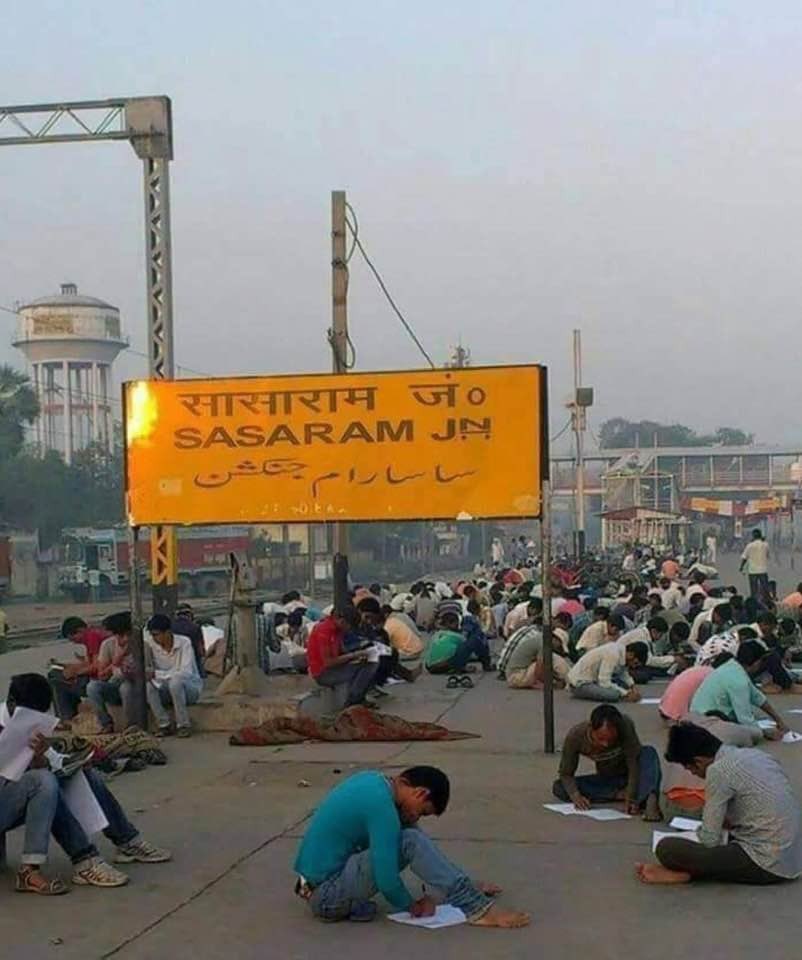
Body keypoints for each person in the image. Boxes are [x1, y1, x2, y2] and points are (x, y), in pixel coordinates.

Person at [293, 765, 529, 927]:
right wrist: (412, 905)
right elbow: (386, 878)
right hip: (327, 897)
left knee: (409, 833)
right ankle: (477, 910)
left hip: (318, 887)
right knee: (409, 839)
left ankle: (464, 888)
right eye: (423, 812)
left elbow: (425, 854)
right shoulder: (380, 806)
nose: (418, 817)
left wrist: (467, 881)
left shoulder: (374, 784)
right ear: (419, 792)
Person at [0, 674, 170, 894]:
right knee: (44, 781)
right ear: (12, 704)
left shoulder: (27, 726)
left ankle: (126, 840)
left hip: (10, 798)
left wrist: (39, 755)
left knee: (75, 774)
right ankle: (81, 858)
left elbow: (50, 764)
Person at [637, 722, 802, 885]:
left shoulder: (718, 770)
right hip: (793, 856)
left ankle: (686, 875)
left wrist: (697, 833)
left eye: (691, 769)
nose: (694, 774)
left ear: (699, 761)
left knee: (667, 848)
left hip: (766, 862)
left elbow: (709, 839)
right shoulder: (757, 755)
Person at [553, 705, 662, 821]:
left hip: (633, 776)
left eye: (611, 740)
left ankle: (649, 798)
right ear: (591, 728)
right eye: (600, 739)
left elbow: (633, 763)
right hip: (609, 780)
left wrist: (631, 796)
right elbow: (566, 773)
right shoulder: (576, 736)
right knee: (560, 787)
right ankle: (620, 794)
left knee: (648, 752)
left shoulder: (625, 725)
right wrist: (575, 795)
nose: (606, 744)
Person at [690, 640, 788, 739]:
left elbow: (757, 697)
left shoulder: (733, 666)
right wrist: (764, 733)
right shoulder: (738, 680)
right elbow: (745, 720)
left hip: (699, 717)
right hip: (704, 724)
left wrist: (778, 719)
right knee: (749, 736)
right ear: (756, 662)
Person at [307, 606, 378, 708]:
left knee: (372, 661)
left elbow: (342, 651)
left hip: (334, 667)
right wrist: (354, 655)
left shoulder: (338, 630)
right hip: (323, 673)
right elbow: (328, 662)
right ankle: (353, 700)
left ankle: (358, 697)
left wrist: (360, 652)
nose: (349, 629)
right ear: (342, 621)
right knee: (368, 666)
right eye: (349, 626)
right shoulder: (323, 631)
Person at [145, 614, 204, 737]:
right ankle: (163, 724)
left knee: (176, 682)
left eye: (156, 634)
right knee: (149, 686)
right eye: (152, 635)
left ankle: (183, 725)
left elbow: (185, 672)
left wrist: (157, 674)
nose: (154, 638)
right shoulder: (150, 645)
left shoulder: (184, 643)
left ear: (167, 632)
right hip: (166, 688)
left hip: (189, 689)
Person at [48, 617, 109, 722]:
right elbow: (89, 663)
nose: (74, 642)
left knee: (54, 679)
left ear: (80, 631)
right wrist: (65, 666)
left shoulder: (92, 637)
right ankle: (68, 716)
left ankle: (65, 718)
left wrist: (75, 673)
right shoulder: (93, 636)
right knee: (57, 674)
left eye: (73, 638)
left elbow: (96, 666)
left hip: (97, 680)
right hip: (95, 678)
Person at [86, 611, 136, 734]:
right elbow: (101, 676)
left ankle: (131, 725)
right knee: (92, 687)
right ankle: (106, 723)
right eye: (121, 635)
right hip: (114, 685)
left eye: (128, 635)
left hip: (135, 686)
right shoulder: (108, 645)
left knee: (126, 687)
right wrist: (116, 661)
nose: (125, 639)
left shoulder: (141, 644)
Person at [566, 640, 649, 703]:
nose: (634, 666)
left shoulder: (621, 651)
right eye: (635, 663)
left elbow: (623, 673)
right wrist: (626, 694)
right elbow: (604, 682)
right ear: (631, 654)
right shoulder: (613, 654)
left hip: (594, 680)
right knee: (613, 695)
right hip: (580, 683)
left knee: (622, 686)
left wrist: (632, 686)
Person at [425, 611, 492, 674]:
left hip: (430, 667)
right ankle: (486, 664)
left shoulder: (436, 634)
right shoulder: (456, 636)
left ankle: (456, 667)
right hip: (444, 665)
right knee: (476, 639)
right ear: (451, 623)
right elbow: (467, 650)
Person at [172, 603, 207, 678]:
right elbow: (200, 647)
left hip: (175, 659)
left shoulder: (171, 627)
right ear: (189, 614)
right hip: (193, 659)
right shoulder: (195, 627)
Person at [740, 528, 770, 601]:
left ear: (753, 536)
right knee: (765, 588)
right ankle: (766, 601)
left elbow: (744, 558)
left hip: (752, 570)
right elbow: (767, 555)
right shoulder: (766, 545)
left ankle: (754, 602)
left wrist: (741, 567)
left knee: (754, 589)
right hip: (763, 570)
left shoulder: (749, 545)